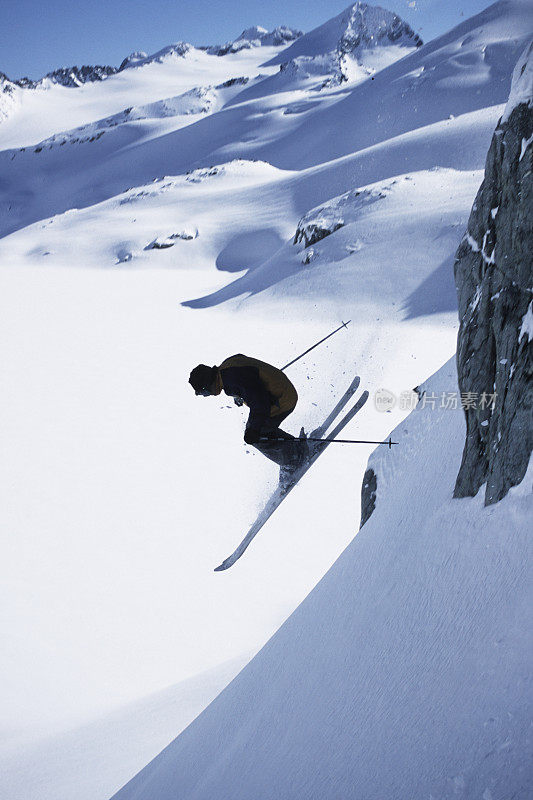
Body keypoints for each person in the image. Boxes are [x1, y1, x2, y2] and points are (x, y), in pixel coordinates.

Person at [189, 354, 307, 473]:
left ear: (208, 385)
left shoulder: (231, 380)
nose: (208, 395)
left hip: (282, 398)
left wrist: (254, 430)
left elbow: (260, 402)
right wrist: (240, 394)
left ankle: (295, 459)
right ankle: (295, 450)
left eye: (205, 393)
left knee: (257, 436)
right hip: (280, 390)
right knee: (255, 430)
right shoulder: (226, 369)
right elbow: (248, 381)